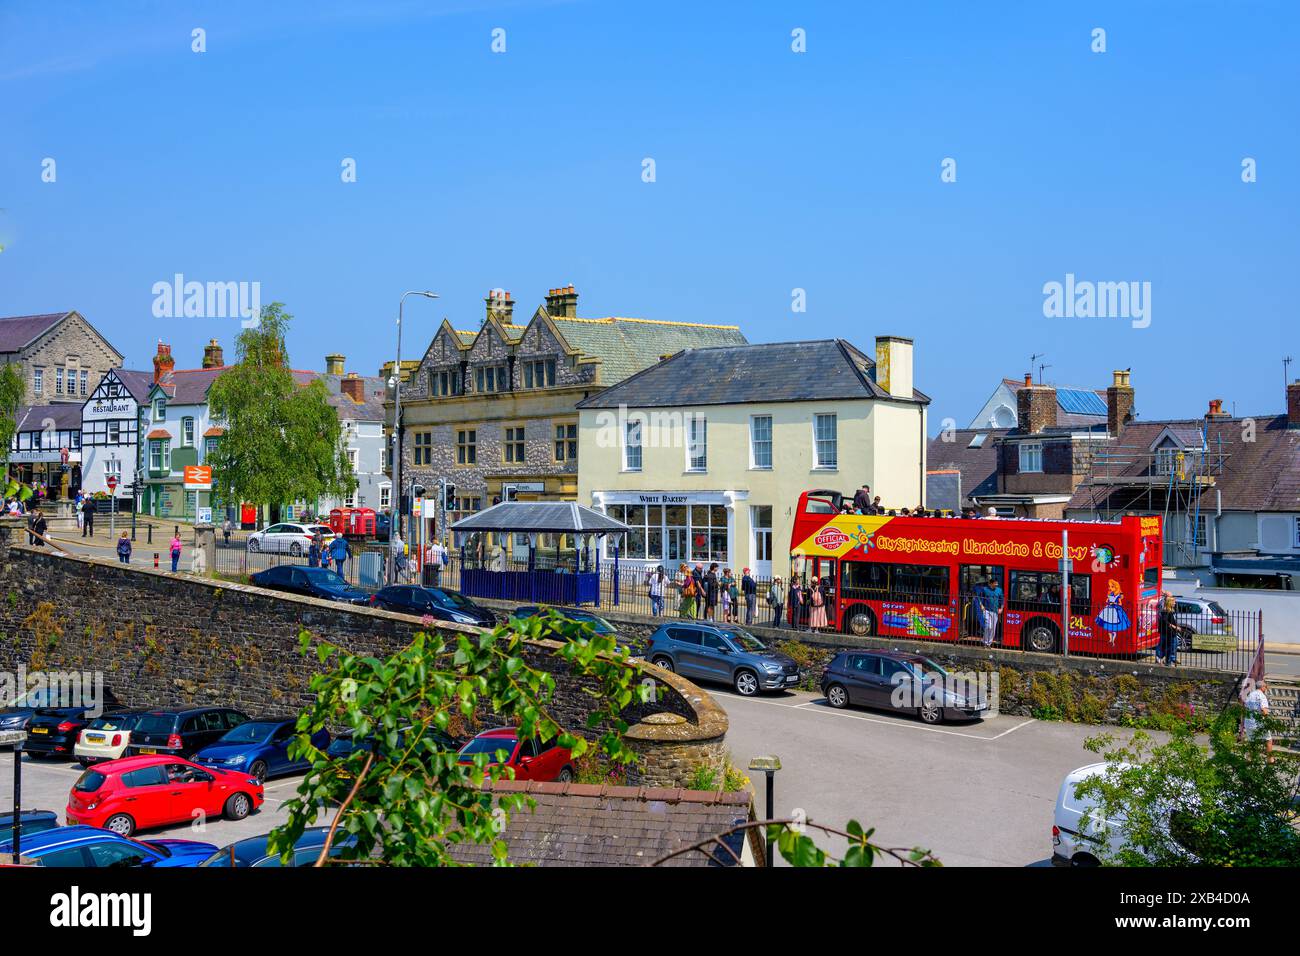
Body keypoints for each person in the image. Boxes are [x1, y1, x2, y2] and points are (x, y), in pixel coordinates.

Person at [1242, 680, 1273, 762]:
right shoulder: (1262, 696)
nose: (1266, 688)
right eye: (1265, 686)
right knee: (1268, 740)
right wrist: (1267, 715)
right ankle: (1270, 759)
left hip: (1249, 723)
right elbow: (1264, 711)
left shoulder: (1250, 695)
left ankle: (1249, 760)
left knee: (1251, 741)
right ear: (1262, 687)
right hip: (1259, 723)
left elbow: (1244, 709)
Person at [974, 576, 1002, 647]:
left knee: (993, 628)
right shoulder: (985, 589)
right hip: (987, 610)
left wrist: (1001, 608)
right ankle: (985, 641)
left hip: (995, 611)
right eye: (995, 583)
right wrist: (981, 605)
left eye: (997, 583)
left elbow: (1002, 600)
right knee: (988, 626)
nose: (996, 584)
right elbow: (979, 597)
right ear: (991, 584)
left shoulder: (999, 590)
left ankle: (989, 643)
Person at [1156, 592, 1180, 665]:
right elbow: (1165, 622)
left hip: (1170, 632)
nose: (1175, 603)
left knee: (1171, 646)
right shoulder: (1166, 611)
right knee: (1168, 646)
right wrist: (1174, 626)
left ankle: (1169, 660)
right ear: (1170, 603)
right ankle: (1164, 659)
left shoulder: (1171, 611)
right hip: (1167, 632)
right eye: (1174, 602)